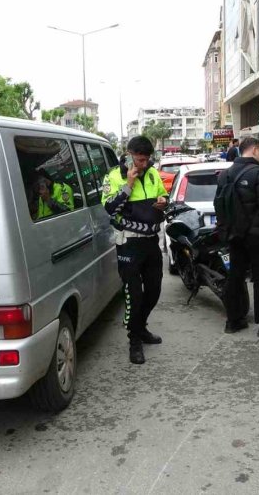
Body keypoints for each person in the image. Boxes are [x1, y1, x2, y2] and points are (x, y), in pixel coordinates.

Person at [101, 136, 168, 365]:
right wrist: (128, 185)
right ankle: (134, 341)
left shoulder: (152, 173)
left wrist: (162, 201)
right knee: (134, 295)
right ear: (129, 155)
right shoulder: (113, 176)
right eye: (140, 159)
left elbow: (163, 197)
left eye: (147, 159)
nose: (144, 163)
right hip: (129, 243)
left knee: (154, 289)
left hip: (151, 242)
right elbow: (110, 209)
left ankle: (141, 327)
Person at [216, 137, 259, 338]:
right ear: (255, 150)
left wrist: (225, 232)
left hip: (235, 236)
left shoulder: (225, 174)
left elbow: (218, 206)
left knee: (235, 277)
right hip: (258, 237)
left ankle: (233, 321)